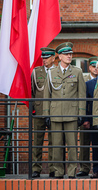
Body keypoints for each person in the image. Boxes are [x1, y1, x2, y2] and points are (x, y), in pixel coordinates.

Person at [43, 42, 86, 178]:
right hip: (55, 114)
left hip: (72, 114)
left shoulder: (77, 72)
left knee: (72, 146)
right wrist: (46, 114)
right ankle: (58, 171)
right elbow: (46, 95)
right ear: (59, 56)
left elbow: (81, 94)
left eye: (70, 54)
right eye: (66, 54)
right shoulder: (51, 73)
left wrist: (81, 114)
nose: (69, 56)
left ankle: (72, 171)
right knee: (56, 146)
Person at [31, 47, 56, 178]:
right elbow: (32, 91)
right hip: (39, 111)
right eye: (43, 58)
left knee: (54, 141)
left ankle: (53, 168)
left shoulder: (57, 71)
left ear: (53, 58)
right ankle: (36, 168)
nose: (44, 60)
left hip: (53, 111)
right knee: (37, 141)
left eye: (47, 58)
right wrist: (33, 109)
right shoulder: (36, 72)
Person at [77, 56, 98, 177]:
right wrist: (85, 119)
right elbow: (85, 102)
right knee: (86, 143)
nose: (97, 69)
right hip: (91, 118)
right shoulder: (87, 82)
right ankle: (86, 168)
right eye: (94, 66)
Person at [83, 59, 98, 178]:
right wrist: (86, 119)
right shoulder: (89, 84)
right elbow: (86, 103)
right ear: (96, 70)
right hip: (94, 120)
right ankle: (97, 170)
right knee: (96, 146)